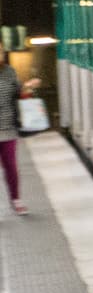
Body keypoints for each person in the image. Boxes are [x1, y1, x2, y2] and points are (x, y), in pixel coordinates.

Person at [0, 62, 44, 215]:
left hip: (7, 128)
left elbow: (19, 93)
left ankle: (16, 200)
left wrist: (28, 87)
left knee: (11, 167)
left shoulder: (8, 71)